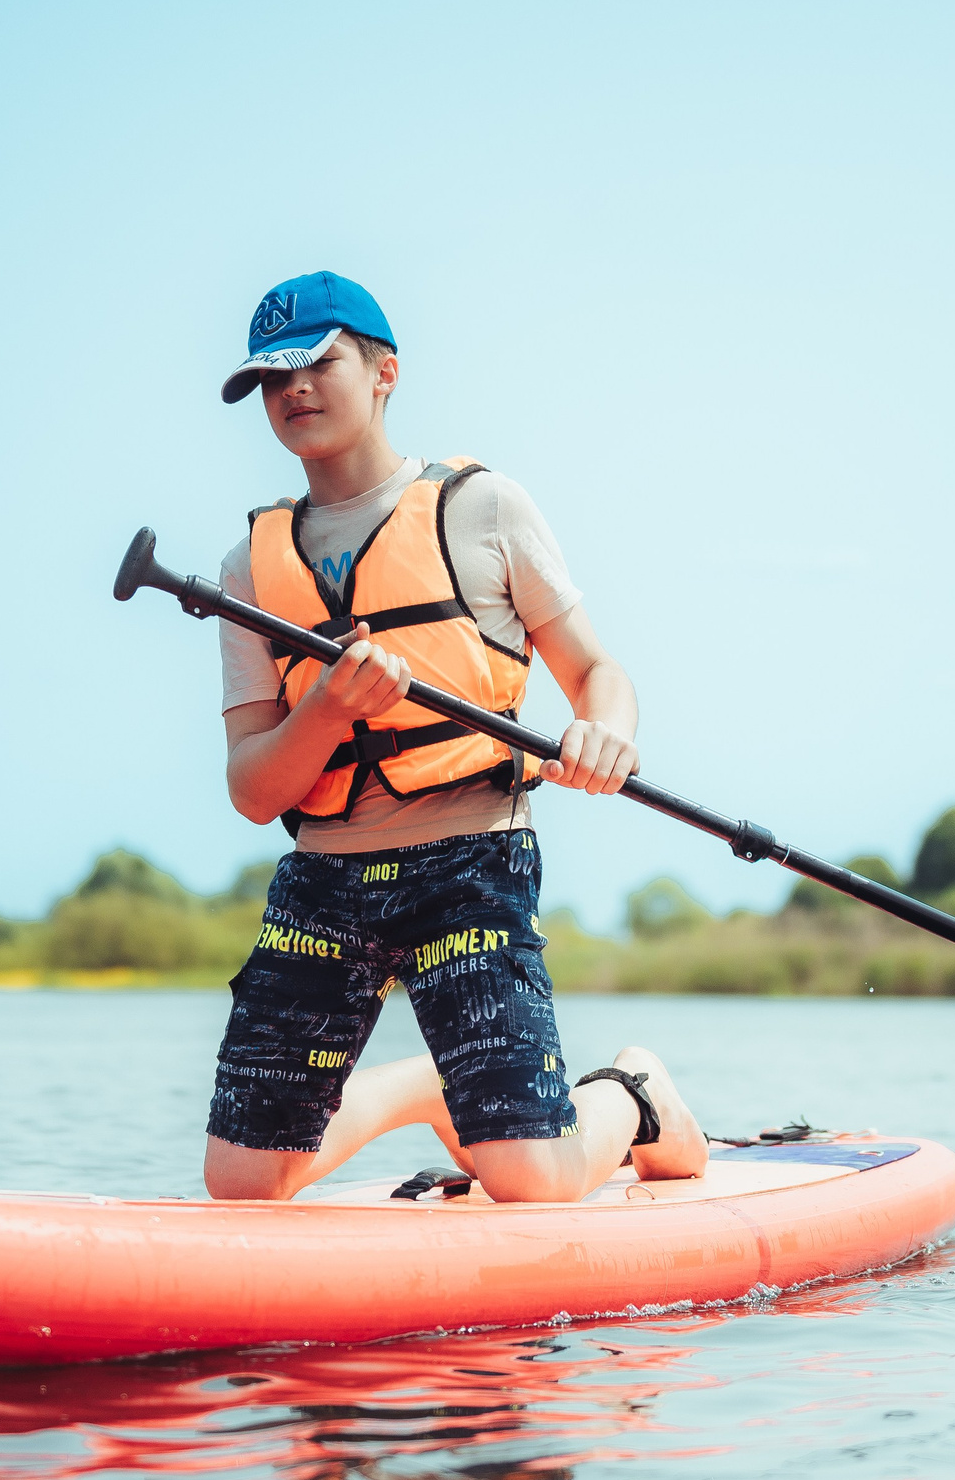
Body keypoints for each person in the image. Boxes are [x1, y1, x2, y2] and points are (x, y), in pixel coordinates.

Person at [198, 271, 708, 1202]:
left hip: (470, 860)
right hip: (325, 879)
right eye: (272, 379)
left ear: (385, 370)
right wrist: (328, 711)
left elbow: (599, 673)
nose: (295, 389)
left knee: (530, 1182)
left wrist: (607, 733)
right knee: (240, 1184)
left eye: (320, 362)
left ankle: (633, 1096)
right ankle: (423, 1087)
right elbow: (253, 790)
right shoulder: (247, 569)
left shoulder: (483, 508)